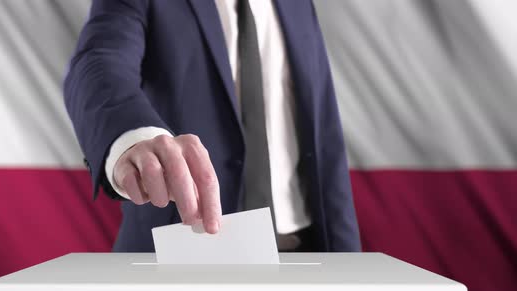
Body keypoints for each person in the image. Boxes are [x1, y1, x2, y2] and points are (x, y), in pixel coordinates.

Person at [64, 0, 361, 252]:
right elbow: (100, 60)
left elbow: (323, 133)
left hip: (305, 249)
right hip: (186, 253)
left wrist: (348, 258)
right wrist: (134, 136)